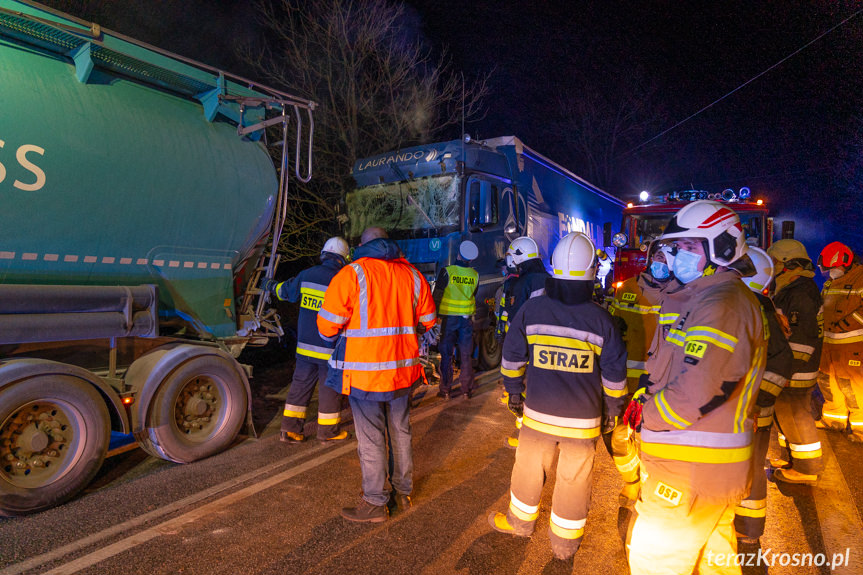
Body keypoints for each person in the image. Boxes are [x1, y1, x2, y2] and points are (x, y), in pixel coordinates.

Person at [623, 200, 766, 575]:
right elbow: (669, 300)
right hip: (705, 468)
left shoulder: (722, 305)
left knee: (656, 560)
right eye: (676, 248)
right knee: (714, 560)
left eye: (688, 247)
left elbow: (699, 389)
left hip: (688, 468)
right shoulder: (708, 295)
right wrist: (655, 273)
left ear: (721, 247)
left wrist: (647, 417)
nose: (678, 256)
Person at [490, 232, 627, 560]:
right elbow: (614, 375)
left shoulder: (532, 310)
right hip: (583, 421)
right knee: (574, 479)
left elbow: (511, 357)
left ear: (553, 268)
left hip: (538, 413)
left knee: (528, 468)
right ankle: (564, 546)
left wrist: (512, 392)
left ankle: (520, 523)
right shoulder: (601, 319)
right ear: (592, 271)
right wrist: (613, 409)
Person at [318, 227, 436, 522]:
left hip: (365, 375)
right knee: (400, 431)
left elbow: (326, 328)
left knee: (371, 438)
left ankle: (374, 503)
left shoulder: (351, 274)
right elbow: (429, 321)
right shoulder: (414, 276)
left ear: (362, 246)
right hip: (402, 373)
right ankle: (402, 494)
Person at [607, 240, 672, 537]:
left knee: (652, 445)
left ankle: (648, 495)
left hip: (660, 384)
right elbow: (612, 329)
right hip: (627, 380)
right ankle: (631, 481)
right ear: (648, 258)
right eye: (657, 255)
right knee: (620, 439)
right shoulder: (626, 288)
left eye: (666, 256)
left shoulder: (682, 295)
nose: (661, 261)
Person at [263, 237, 351, 444]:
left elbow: (285, 292)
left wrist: (268, 285)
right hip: (330, 347)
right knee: (329, 389)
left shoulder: (308, 275)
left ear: (324, 254)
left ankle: (290, 430)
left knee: (300, 386)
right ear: (343, 258)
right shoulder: (343, 279)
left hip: (304, 348)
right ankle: (327, 432)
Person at [734, 247, 793, 547]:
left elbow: (782, 361)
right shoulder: (754, 305)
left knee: (751, 469)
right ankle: (745, 530)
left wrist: (758, 403)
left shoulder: (757, 309)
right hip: (741, 412)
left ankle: (748, 530)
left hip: (751, 414)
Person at [767, 239, 824, 484]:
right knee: (785, 415)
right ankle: (792, 457)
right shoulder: (791, 288)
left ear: (789, 264)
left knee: (796, 416)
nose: (772, 266)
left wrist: (787, 371)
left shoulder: (800, 293)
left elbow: (802, 337)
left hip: (795, 370)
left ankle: (807, 468)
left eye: (775, 262)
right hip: (788, 367)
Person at [501, 236, 550, 448]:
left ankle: (526, 436)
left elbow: (517, 319)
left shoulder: (524, 282)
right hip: (550, 344)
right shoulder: (549, 278)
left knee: (528, 393)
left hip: (529, 345)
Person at [817, 241, 863, 442]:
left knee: (851, 386)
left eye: (832, 269)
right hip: (829, 343)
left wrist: (845, 324)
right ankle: (834, 420)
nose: (829, 273)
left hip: (852, 345)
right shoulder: (830, 283)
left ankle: (860, 428)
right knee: (827, 381)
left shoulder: (860, 278)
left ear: (845, 263)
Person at [432, 240, 480, 399]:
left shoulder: (447, 271)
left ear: (458, 254)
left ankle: (445, 390)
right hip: (466, 320)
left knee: (446, 355)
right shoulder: (475, 275)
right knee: (466, 355)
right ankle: (467, 390)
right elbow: (474, 295)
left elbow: (437, 296)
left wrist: (433, 318)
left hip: (448, 320)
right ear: (471, 259)